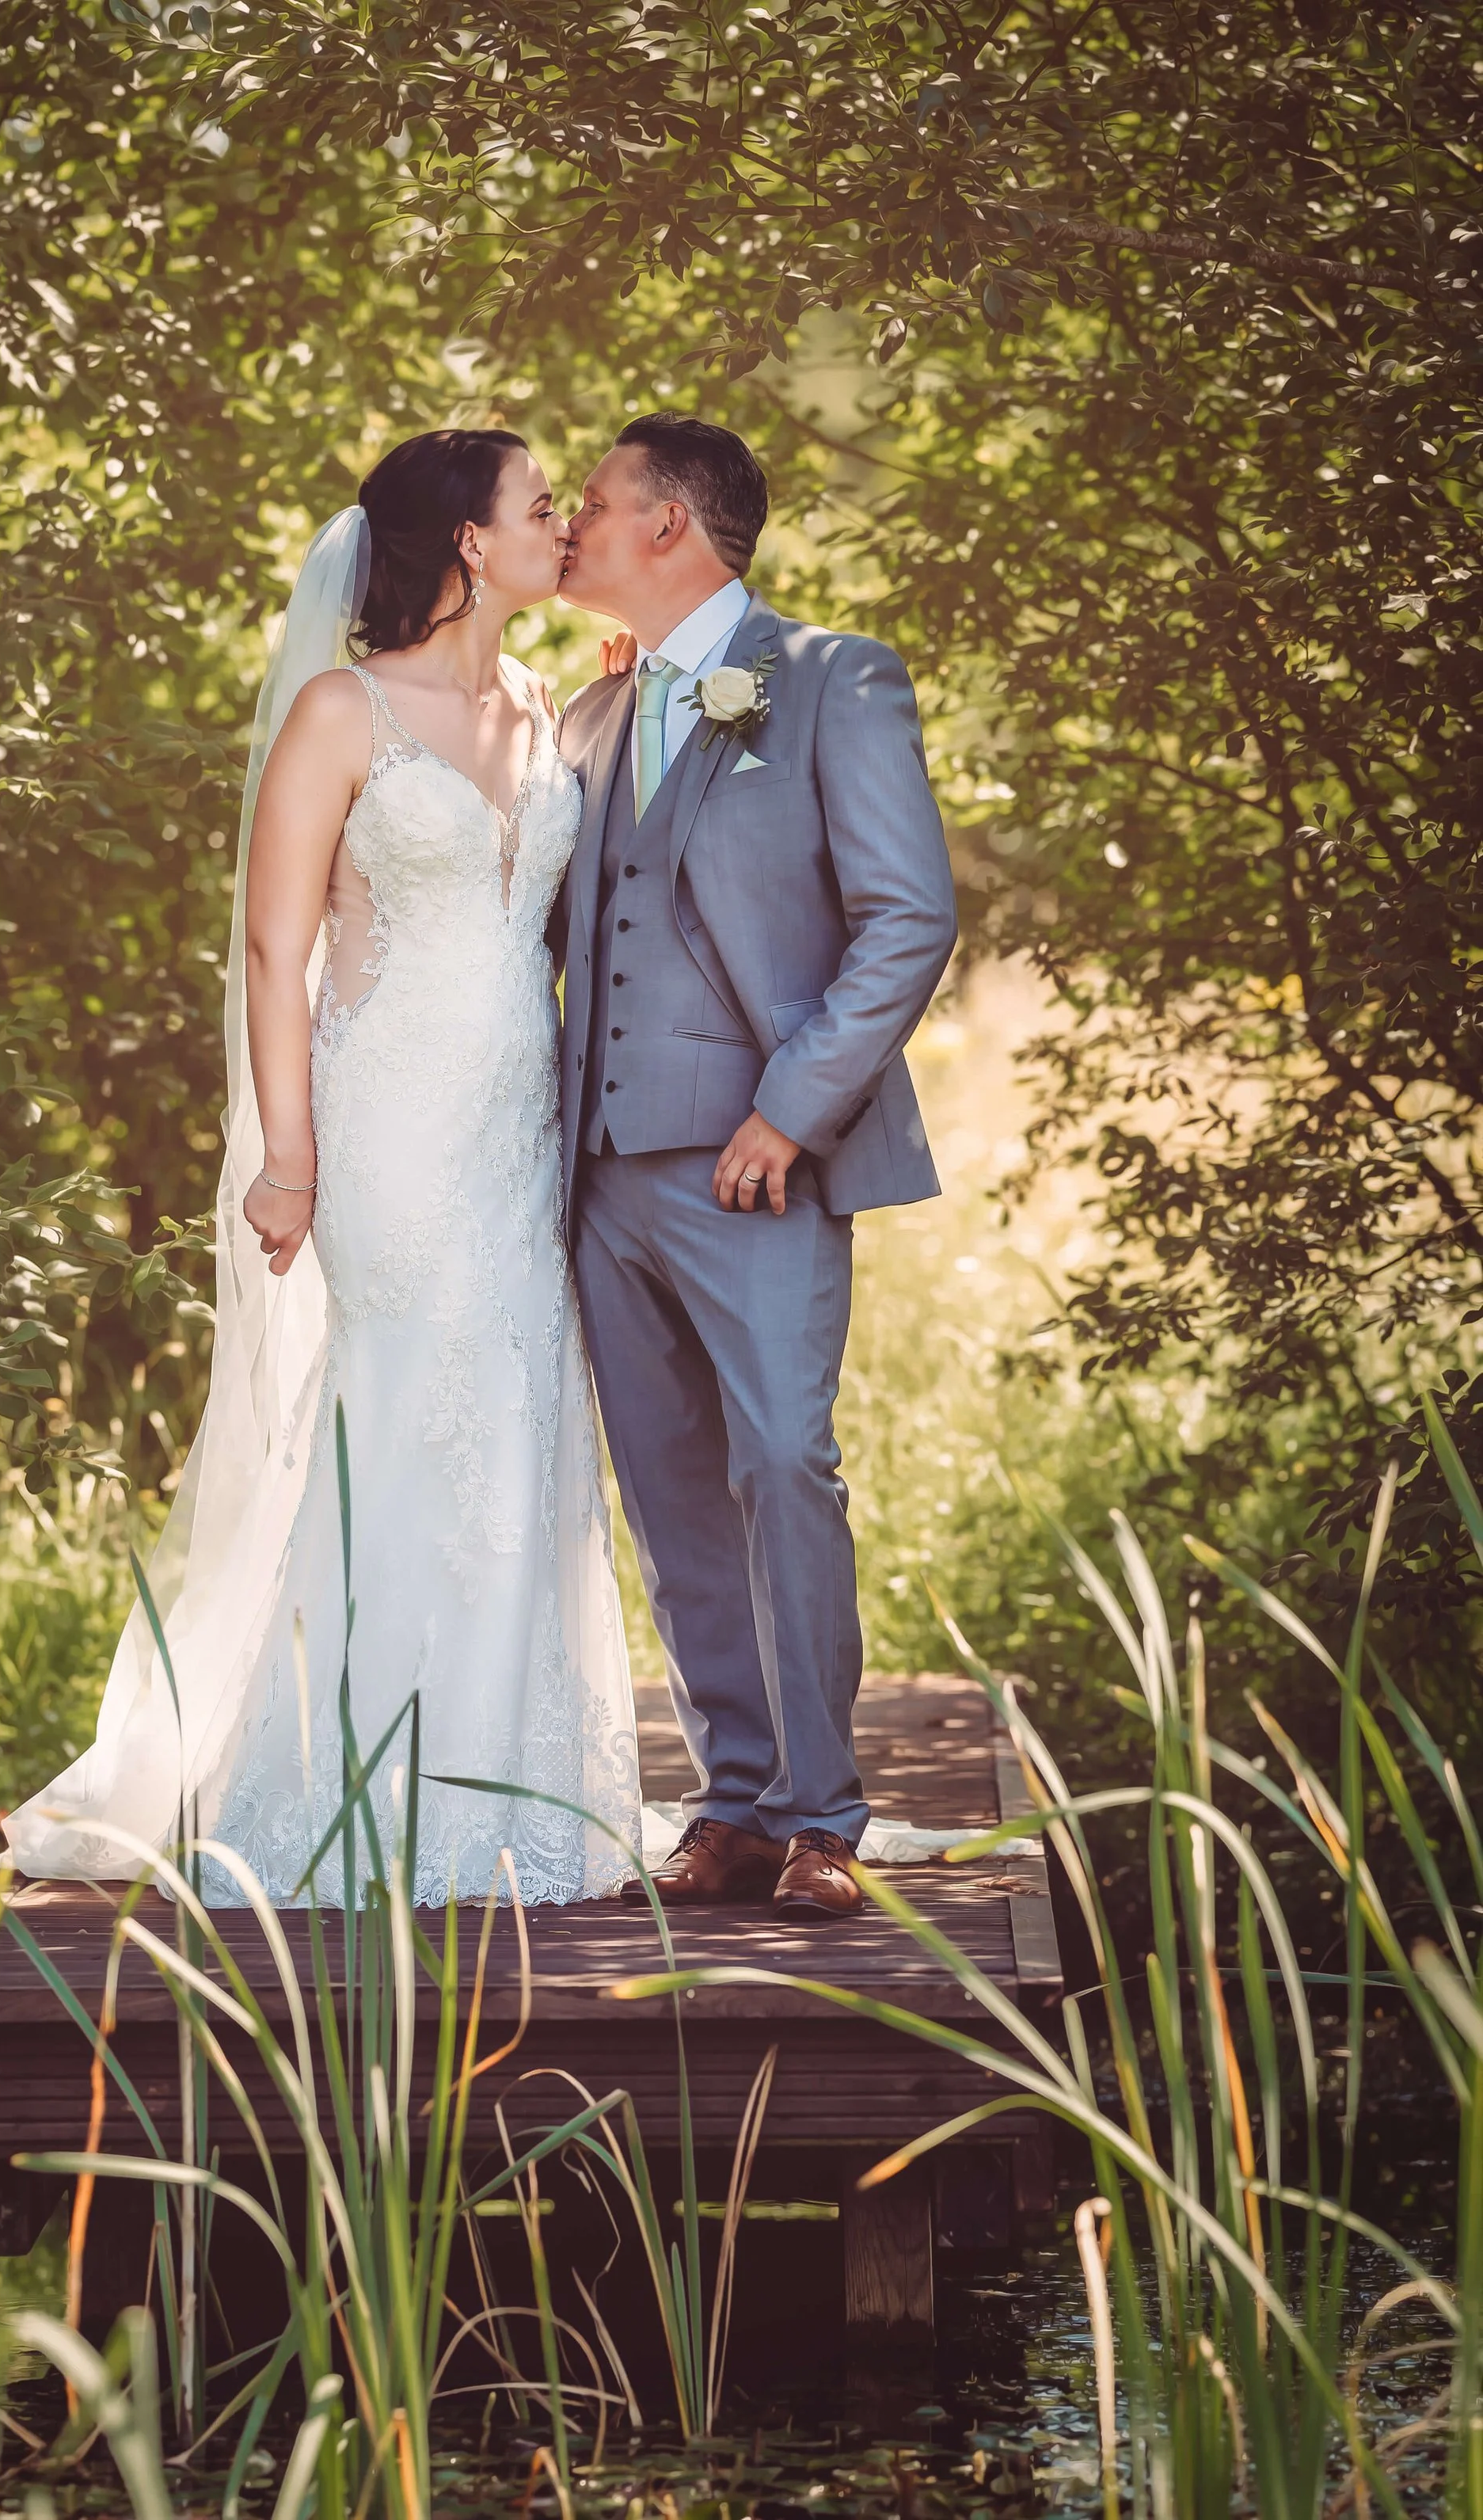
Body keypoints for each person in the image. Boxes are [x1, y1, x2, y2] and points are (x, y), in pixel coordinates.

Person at [3, 432, 641, 1902]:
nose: (563, 522)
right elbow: (274, 948)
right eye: (540, 506)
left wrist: (630, 686)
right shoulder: (341, 713)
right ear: (472, 546)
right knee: (405, 1407)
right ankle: (354, 1781)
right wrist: (287, 1157)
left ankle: (509, 1779)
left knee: (523, 1412)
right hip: (386, 1129)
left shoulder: (552, 706)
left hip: (516, 1131)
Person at [555, 413, 957, 1917]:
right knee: (666, 1490)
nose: (573, 530)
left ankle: (822, 1819)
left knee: (783, 1460)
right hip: (598, 1175)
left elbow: (907, 917)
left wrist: (789, 1112)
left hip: (759, 1164)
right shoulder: (589, 721)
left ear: (671, 525)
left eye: (594, 508)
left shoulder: (833, 678)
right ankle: (728, 1801)